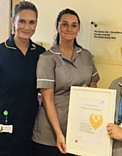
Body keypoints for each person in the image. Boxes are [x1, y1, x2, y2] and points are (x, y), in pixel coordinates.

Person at [32, 8, 100, 156]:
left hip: (78, 129)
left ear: (78, 28)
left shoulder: (86, 55)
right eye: (65, 24)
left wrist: (88, 91)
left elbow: (94, 83)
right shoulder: (47, 58)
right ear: (57, 27)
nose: (69, 29)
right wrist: (59, 134)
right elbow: (47, 98)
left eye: (74, 25)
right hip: (50, 134)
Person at [0, 1, 45, 156]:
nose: (27, 27)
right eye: (22, 21)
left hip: (32, 120)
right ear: (13, 22)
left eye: (32, 22)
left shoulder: (41, 54)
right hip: (5, 118)